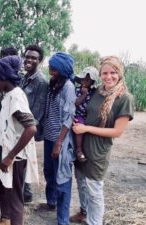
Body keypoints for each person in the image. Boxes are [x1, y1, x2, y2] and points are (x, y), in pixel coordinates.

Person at [71, 56, 134, 225]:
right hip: (82, 146)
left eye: (113, 72)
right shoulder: (97, 91)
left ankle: (94, 222)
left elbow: (117, 131)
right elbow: (84, 112)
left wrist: (86, 129)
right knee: (82, 184)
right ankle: (84, 213)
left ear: (120, 73)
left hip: (98, 151)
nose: (108, 77)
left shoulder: (124, 98)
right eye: (105, 73)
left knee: (95, 191)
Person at [0, 55, 39, 225]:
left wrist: (10, 156)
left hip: (15, 157)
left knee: (15, 197)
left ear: (3, 78)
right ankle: (5, 219)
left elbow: (31, 128)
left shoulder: (16, 97)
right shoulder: (7, 95)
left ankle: (13, 219)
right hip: (4, 149)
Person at [35, 52, 76, 225]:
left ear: (63, 69)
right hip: (49, 138)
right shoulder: (53, 83)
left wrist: (59, 143)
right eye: (51, 66)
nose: (51, 69)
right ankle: (51, 203)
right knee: (49, 173)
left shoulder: (68, 86)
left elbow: (68, 118)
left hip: (61, 140)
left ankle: (63, 220)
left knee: (63, 178)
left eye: (55, 67)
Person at [20, 44, 48, 203]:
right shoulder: (25, 77)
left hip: (28, 128)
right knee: (23, 160)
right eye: (28, 57)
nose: (29, 60)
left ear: (40, 61)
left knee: (23, 160)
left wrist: (28, 130)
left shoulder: (41, 81)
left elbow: (38, 111)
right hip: (21, 126)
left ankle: (26, 194)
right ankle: (27, 194)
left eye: (34, 58)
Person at [74, 67, 98, 162]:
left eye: (88, 80)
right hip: (79, 115)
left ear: (92, 82)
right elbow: (76, 103)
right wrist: (84, 94)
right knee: (80, 127)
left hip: (88, 115)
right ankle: (79, 149)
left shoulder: (94, 92)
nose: (85, 81)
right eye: (83, 79)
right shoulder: (77, 90)